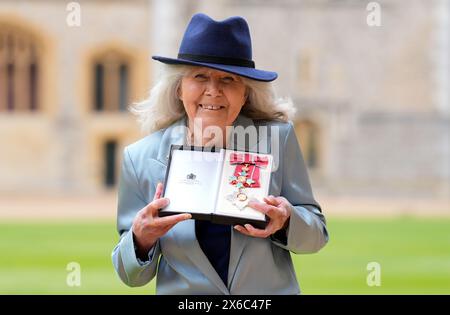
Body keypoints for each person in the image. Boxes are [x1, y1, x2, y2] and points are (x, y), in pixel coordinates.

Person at [112, 13, 328, 295]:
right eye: (200, 76)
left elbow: (316, 236)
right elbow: (130, 275)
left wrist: (286, 221)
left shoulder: (279, 139)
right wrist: (140, 239)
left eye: (228, 79)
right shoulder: (139, 158)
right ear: (179, 88)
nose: (213, 91)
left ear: (246, 94)